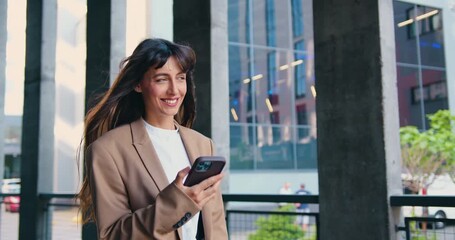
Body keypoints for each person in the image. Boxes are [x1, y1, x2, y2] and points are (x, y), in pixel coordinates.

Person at [77, 38, 228, 240]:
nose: (174, 90)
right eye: (161, 79)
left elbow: (215, 224)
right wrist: (177, 202)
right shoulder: (107, 150)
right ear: (139, 84)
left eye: (180, 78)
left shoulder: (202, 144)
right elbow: (112, 235)